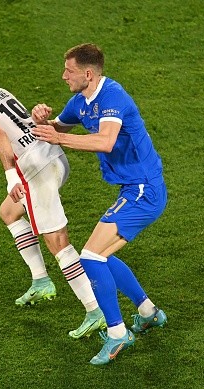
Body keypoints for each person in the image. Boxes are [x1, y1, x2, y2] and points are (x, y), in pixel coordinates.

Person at [0, 49, 105, 339]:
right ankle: (41, 281)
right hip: (53, 157)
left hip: (35, 170)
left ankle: (95, 311)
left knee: (58, 242)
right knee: (9, 211)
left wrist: (10, 176)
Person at [32, 43, 168, 365]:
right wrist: (40, 119)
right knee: (100, 255)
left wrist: (60, 138)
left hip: (144, 189)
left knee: (90, 257)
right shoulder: (80, 102)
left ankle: (118, 334)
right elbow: (54, 130)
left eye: (69, 71)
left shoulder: (113, 96)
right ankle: (148, 313)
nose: (64, 76)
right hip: (132, 189)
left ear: (88, 73)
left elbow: (105, 141)